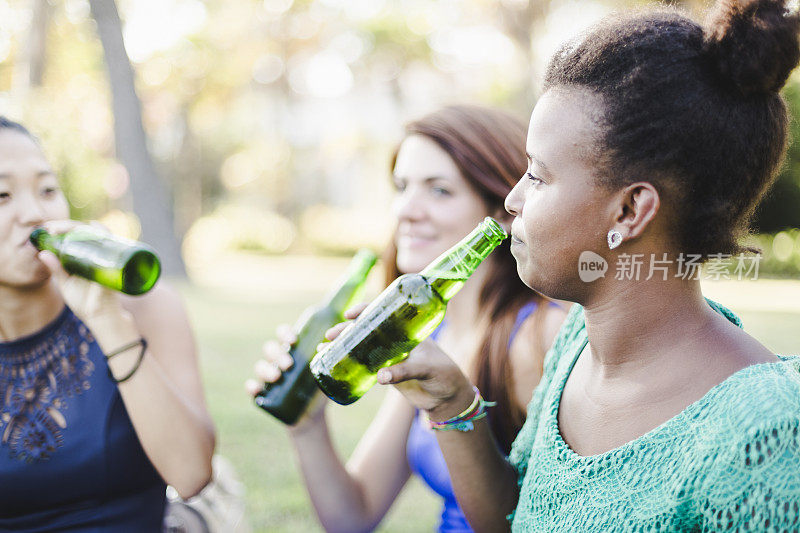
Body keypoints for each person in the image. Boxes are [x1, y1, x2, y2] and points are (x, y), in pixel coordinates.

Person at [352, 0, 800, 530]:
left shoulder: (766, 430)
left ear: (630, 210)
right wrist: (452, 404)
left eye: (539, 176)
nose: (513, 200)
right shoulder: (576, 348)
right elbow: (513, 519)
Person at [246, 105, 567, 532]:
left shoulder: (539, 336)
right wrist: (307, 426)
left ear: (503, 211)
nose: (405, 210)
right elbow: (353, 517)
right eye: (401, 186)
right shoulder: (433, 335)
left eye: (438, 191)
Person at [0, 117, 216, 531]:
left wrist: (105, 317)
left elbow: (192, 475)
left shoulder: (148, 307)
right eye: (2, 195)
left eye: (47, 190)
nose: (33, 213)